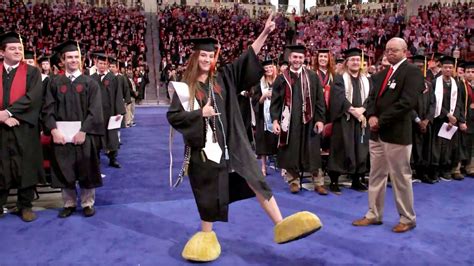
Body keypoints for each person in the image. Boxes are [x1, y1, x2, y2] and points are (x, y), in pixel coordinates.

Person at [167, 13, 321, 262]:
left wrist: (265, 33)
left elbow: (245, 59)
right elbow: (174, 117)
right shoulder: (185, 88)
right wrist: (199, 114)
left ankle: (281, 224)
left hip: (234, 144)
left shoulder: (223, 79)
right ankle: (206, 235)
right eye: (202, 55)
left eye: (209, 55)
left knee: (254, 177)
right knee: (209, 191)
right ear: (195, 58)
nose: (206, 59)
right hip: (205, 149)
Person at [352, 38, 423, 233]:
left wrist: (380, 119)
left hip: (397, 134)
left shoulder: (412, 72)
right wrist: (371, 115)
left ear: (405, 52)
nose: (390, 53)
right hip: (377, 135)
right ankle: (374, 214)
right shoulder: (380, 74)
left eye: (394, 50)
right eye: (387, 50)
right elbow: (372, 99)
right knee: (375, 175)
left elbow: (407, 103)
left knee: (401, 177)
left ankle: (408, 218)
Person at [42, 40, 104, 218]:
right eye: (69, 57)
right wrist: (53, 131)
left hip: (83, 136)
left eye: (76, 57)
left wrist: (84, 131)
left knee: (86, 169)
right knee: (64, 169)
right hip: (61, 136)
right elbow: (47, 108)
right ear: (62, 60)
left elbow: (95, 110)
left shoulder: (90, 83)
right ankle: (68, 203)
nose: (73, 60)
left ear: (81, 59)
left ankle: (87, 203)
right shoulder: (54, 83)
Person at [0, 32, 44, 222]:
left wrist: (8, 113)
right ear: (2, 52)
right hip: (0, 128)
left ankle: (25, 205)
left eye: (19, 48)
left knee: (25, 165)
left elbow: (33, 98)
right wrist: (1, 117)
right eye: (12, 48)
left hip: (23, 127)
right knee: (1, 165)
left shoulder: (32, 72)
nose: (17, 51)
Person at [270, 44, 326, 195]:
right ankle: (293, 181)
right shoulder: (282, 79)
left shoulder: (312, 76)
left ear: (304, 59)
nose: (297, 60)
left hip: (310, 119)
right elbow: (275, 102)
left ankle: (318, 182)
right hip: (290, 122)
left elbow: (319, 100)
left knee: (313, 151)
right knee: (291, 150)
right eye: (295, 57)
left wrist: (320, 119)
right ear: (289, 58)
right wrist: (275, 121)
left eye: (300, 57)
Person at [327, 48, 371, 195]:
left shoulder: (367, 79)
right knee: (341, 149)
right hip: (344, 120)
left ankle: (357, 180)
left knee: (360, 149)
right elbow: (338, 97)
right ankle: (334, 181)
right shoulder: (340, 78)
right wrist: (354, 111)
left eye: (358, 60)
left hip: (361, 121)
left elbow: (371, 98)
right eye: (352, 60)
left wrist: (363, 110)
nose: (355, 62)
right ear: (347, 62)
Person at [429, 56, 462, 181]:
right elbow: (434, 102)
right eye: (445, 67)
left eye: (450, 67)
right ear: (441, 68)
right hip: (439, 118)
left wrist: (454, 117)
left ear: (453, 69)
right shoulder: (434, 83)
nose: (448, 69)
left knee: (448, 146)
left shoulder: (456, 84)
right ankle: (435, 170)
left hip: (452, 120)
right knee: (437, 145)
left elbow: (459, 102)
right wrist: (447, 115)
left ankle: (446, 169)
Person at [91, 53, 125, 168]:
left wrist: (119, 111)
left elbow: (118, 95)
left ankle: (113, 159)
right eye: (100, 63)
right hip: (95, 114)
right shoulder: (91, 79)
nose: (102, 66)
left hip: (110, 113)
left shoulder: (113, 78)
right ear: (96, 64)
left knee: (112, 136)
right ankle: (95, 159)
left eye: (105, 63)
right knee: (96, 137)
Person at [409, 55, 436, 184]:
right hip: (413, 123)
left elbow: (433, 103)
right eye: (417, 66)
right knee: (414, 148)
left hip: (426, 122)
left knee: (425, 148)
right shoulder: (408, 84)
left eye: (421, 67)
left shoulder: (429, 85)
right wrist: (418, 120)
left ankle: (423, 173)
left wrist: (427, 120)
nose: (419, 69)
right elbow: (407, 104)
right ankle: (414, 172)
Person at [251, 59, 278, 176]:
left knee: (279, 141)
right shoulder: (259, 83)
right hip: (263, 117)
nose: (268, 70)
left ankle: (283, 168)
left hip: (278, 115)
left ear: (274, 68)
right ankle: (263, 166)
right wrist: (264, 96)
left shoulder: (280, 81)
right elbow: (255, 101)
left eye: (270, 67)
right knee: (263, 142)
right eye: (266, 68)